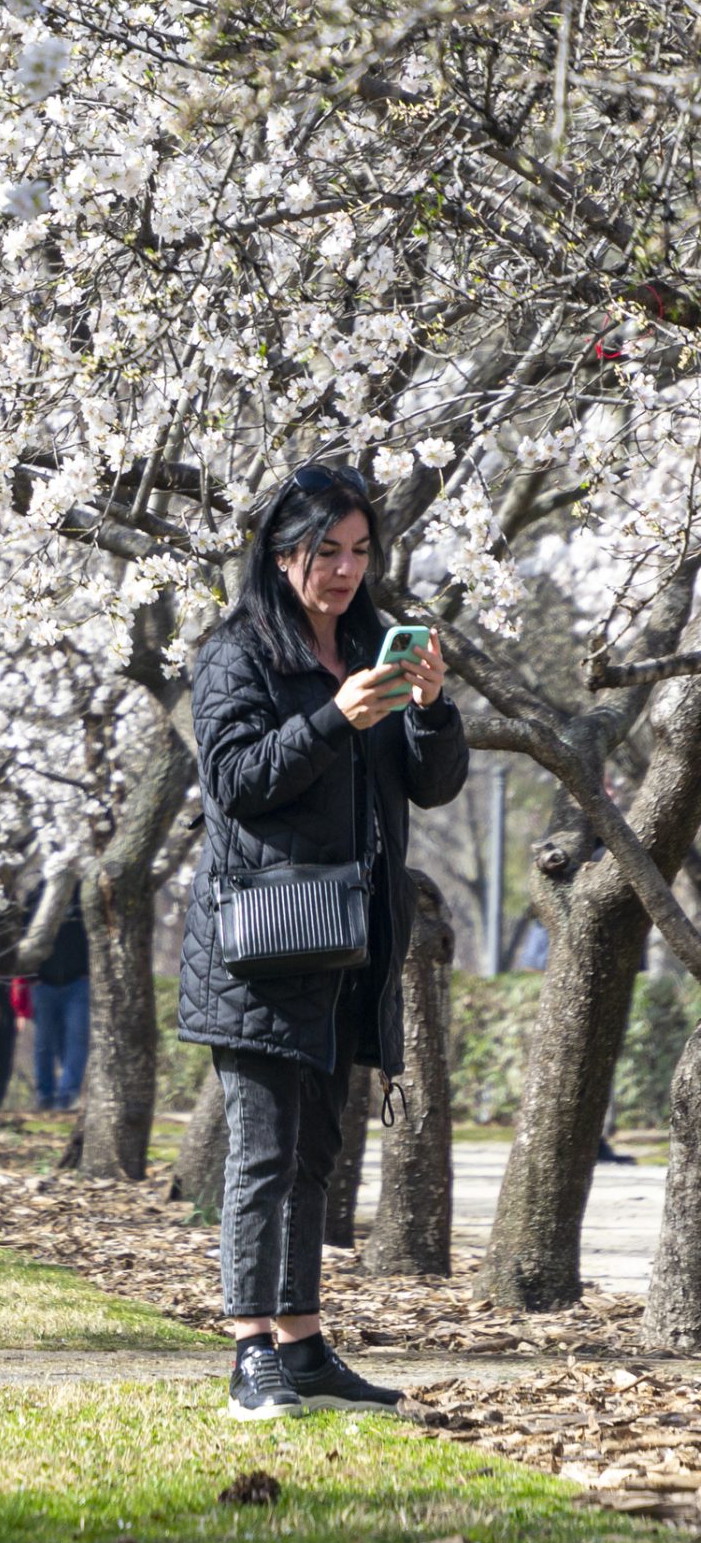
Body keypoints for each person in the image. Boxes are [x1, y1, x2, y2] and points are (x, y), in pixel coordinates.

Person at [178, 465, 466, 1420]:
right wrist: (333, 718)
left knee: (315, 1156)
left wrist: (430, 706)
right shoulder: (236, 654)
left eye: (358, 551)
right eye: (322, 552)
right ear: (279, 552)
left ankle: (301, 1347)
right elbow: (238, 782)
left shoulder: (378, 645)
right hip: (263, 941)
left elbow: (433, 788)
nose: (343, 570)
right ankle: (248, 1352)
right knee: (261, 1155)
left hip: (351, 943)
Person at [33, 892, 91, 1110]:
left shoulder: (83, 897)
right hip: (43, 983)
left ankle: (67, 1094)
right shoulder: (37, 896)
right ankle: (44, 1095)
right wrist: (32, 974)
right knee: (43, 1044)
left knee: (77, 1039)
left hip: (77, 982)